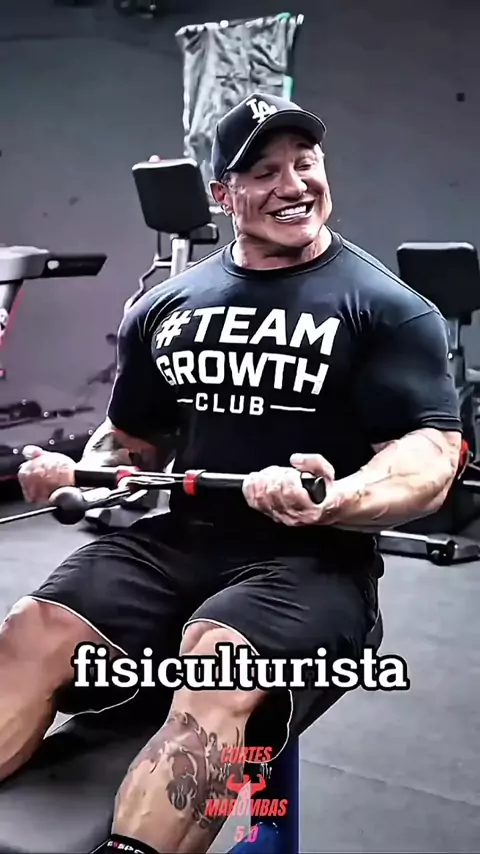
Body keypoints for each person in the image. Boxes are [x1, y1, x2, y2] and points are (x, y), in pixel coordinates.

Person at [4, 91, 461, 854]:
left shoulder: (385, 307)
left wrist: (335, 496)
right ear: (223, 194)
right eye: (265, 172)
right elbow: (133, 442)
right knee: (32, 628)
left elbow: (431, 456)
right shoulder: (167, 306)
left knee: (219, 660)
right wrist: (82, 472)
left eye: (305, 163)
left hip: (313, 564)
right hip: (181, 542)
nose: (294, 185)